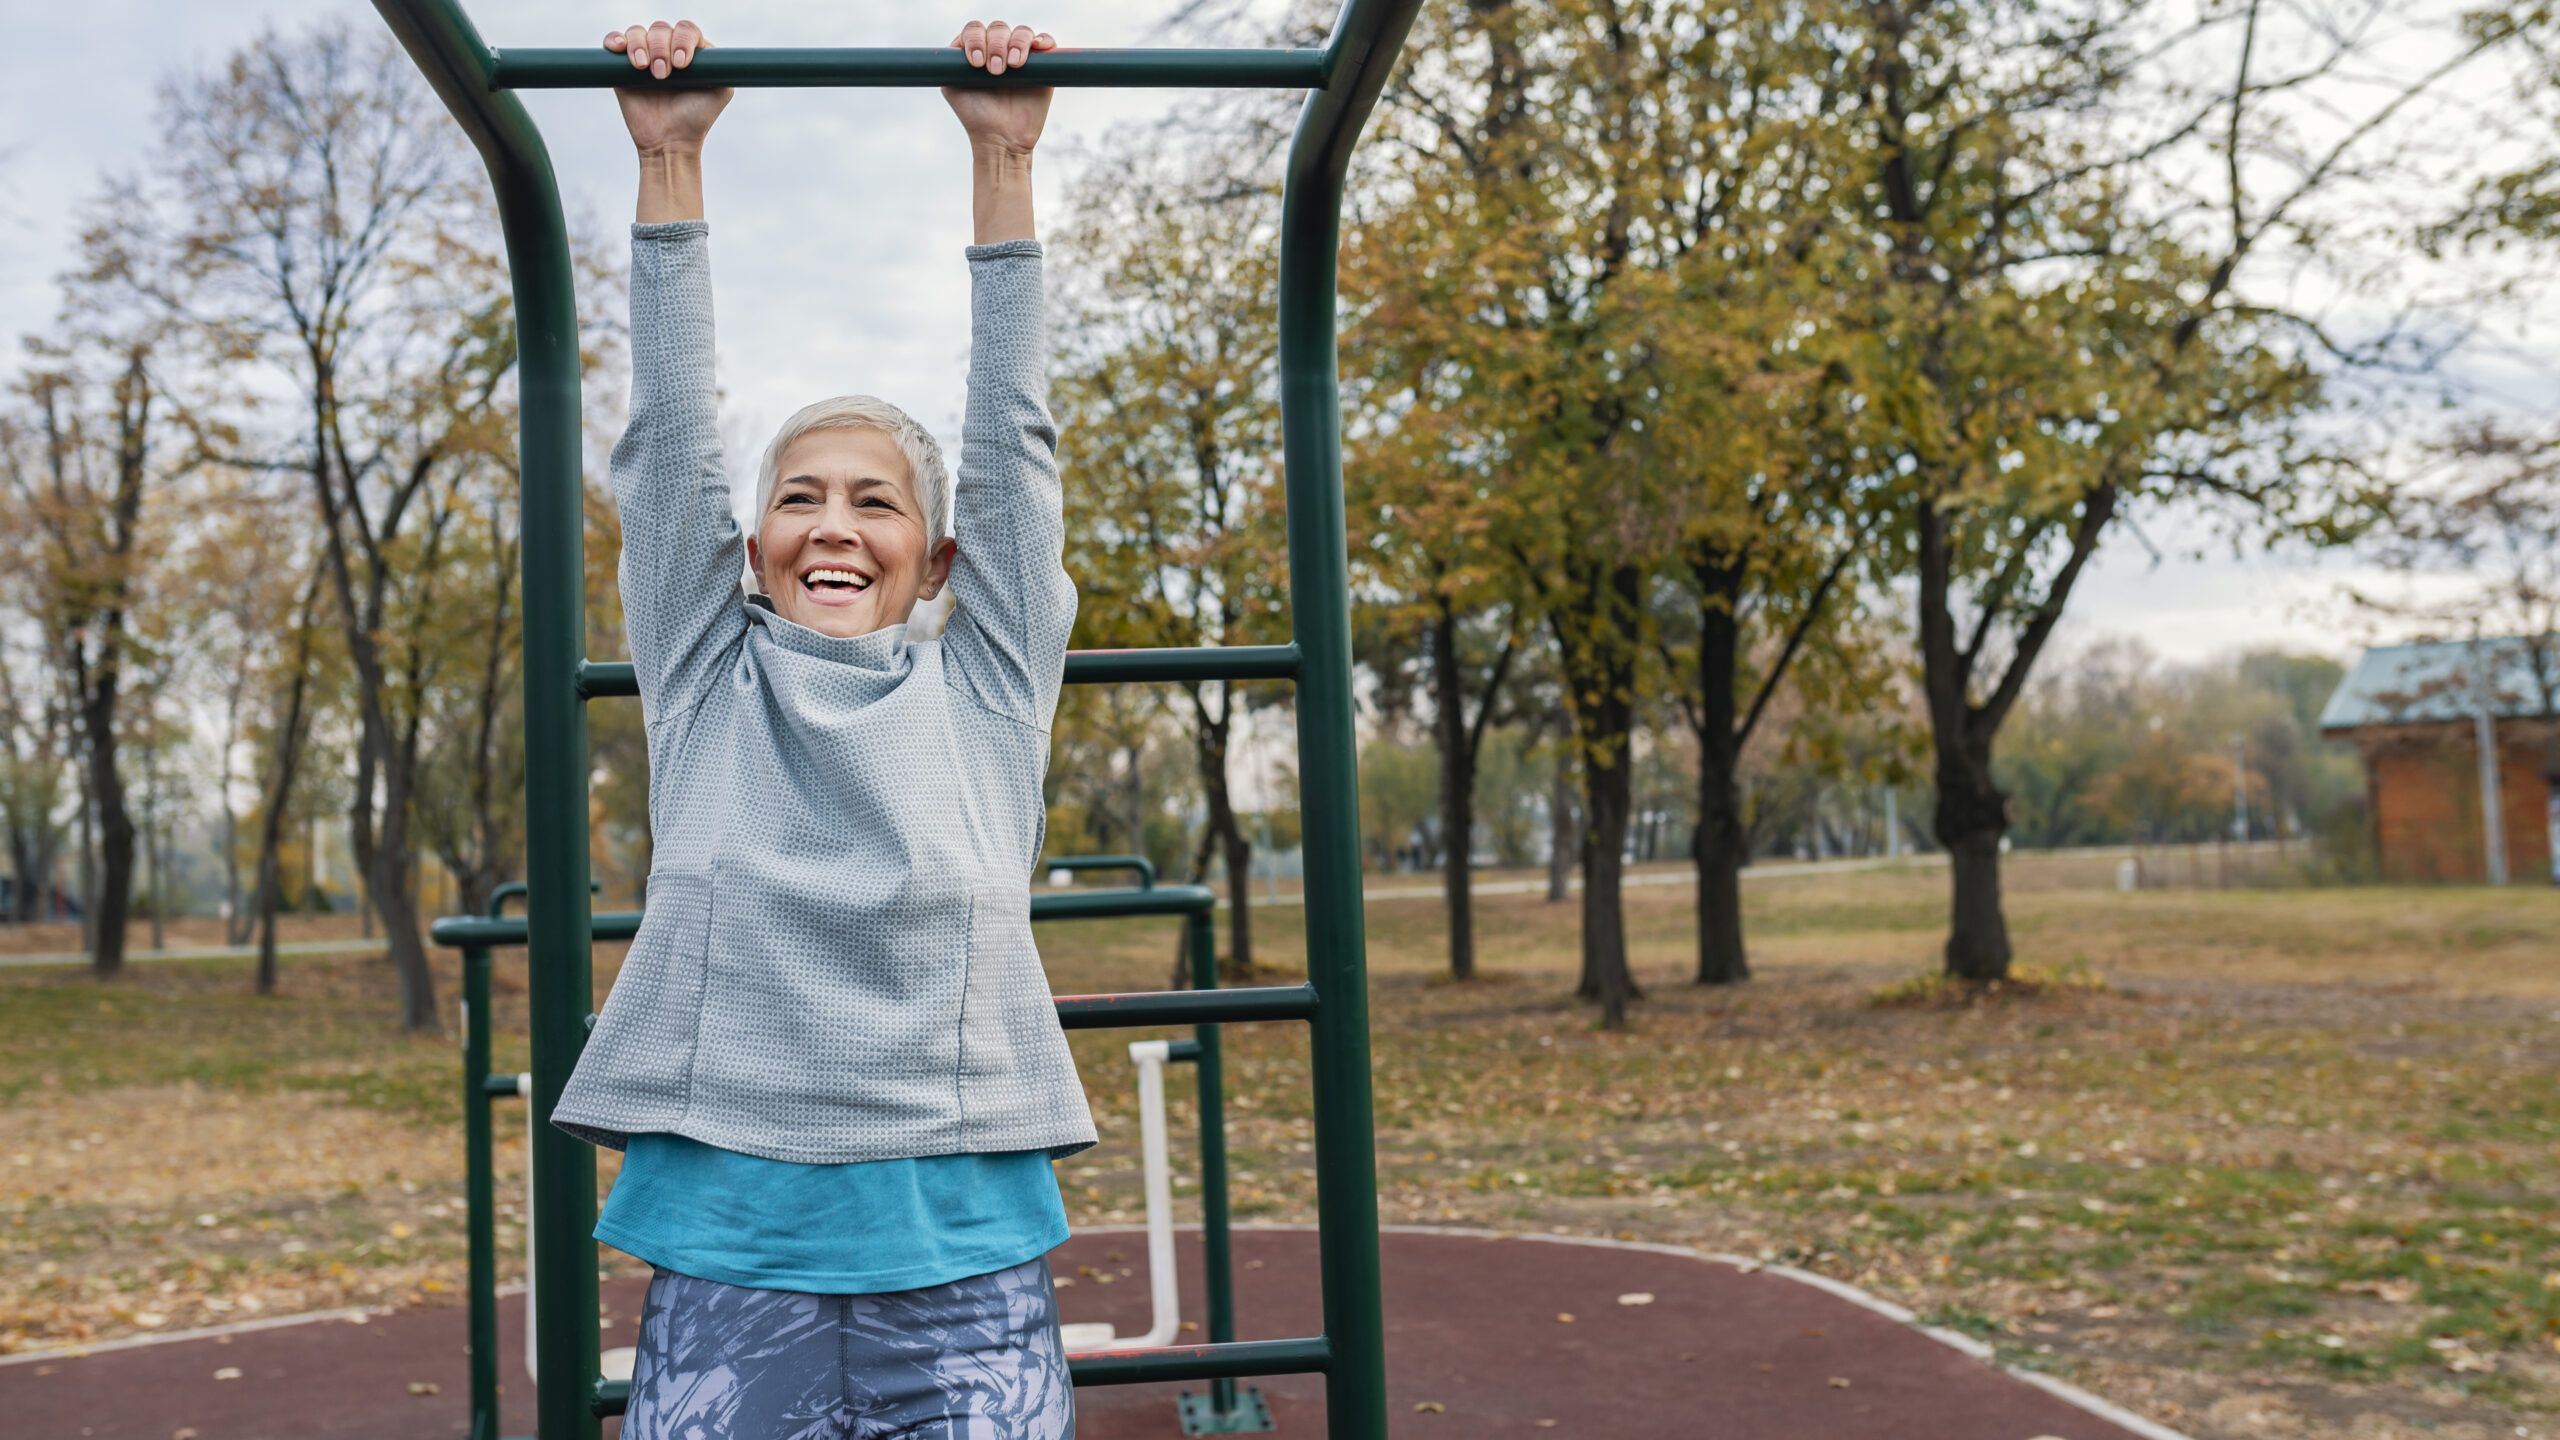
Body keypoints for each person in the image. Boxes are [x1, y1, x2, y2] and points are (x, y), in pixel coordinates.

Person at [550, 19, 1086, 1438]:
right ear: (750, 541)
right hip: (738, 1247)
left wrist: (1005, 159)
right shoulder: (707, 679)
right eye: (800, 495)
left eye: (874, 499)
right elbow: (670, 446)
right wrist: (670, 159)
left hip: (958, 1241)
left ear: (938, 556)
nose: (833, 525)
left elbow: (1014, 447)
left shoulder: (985, 687)